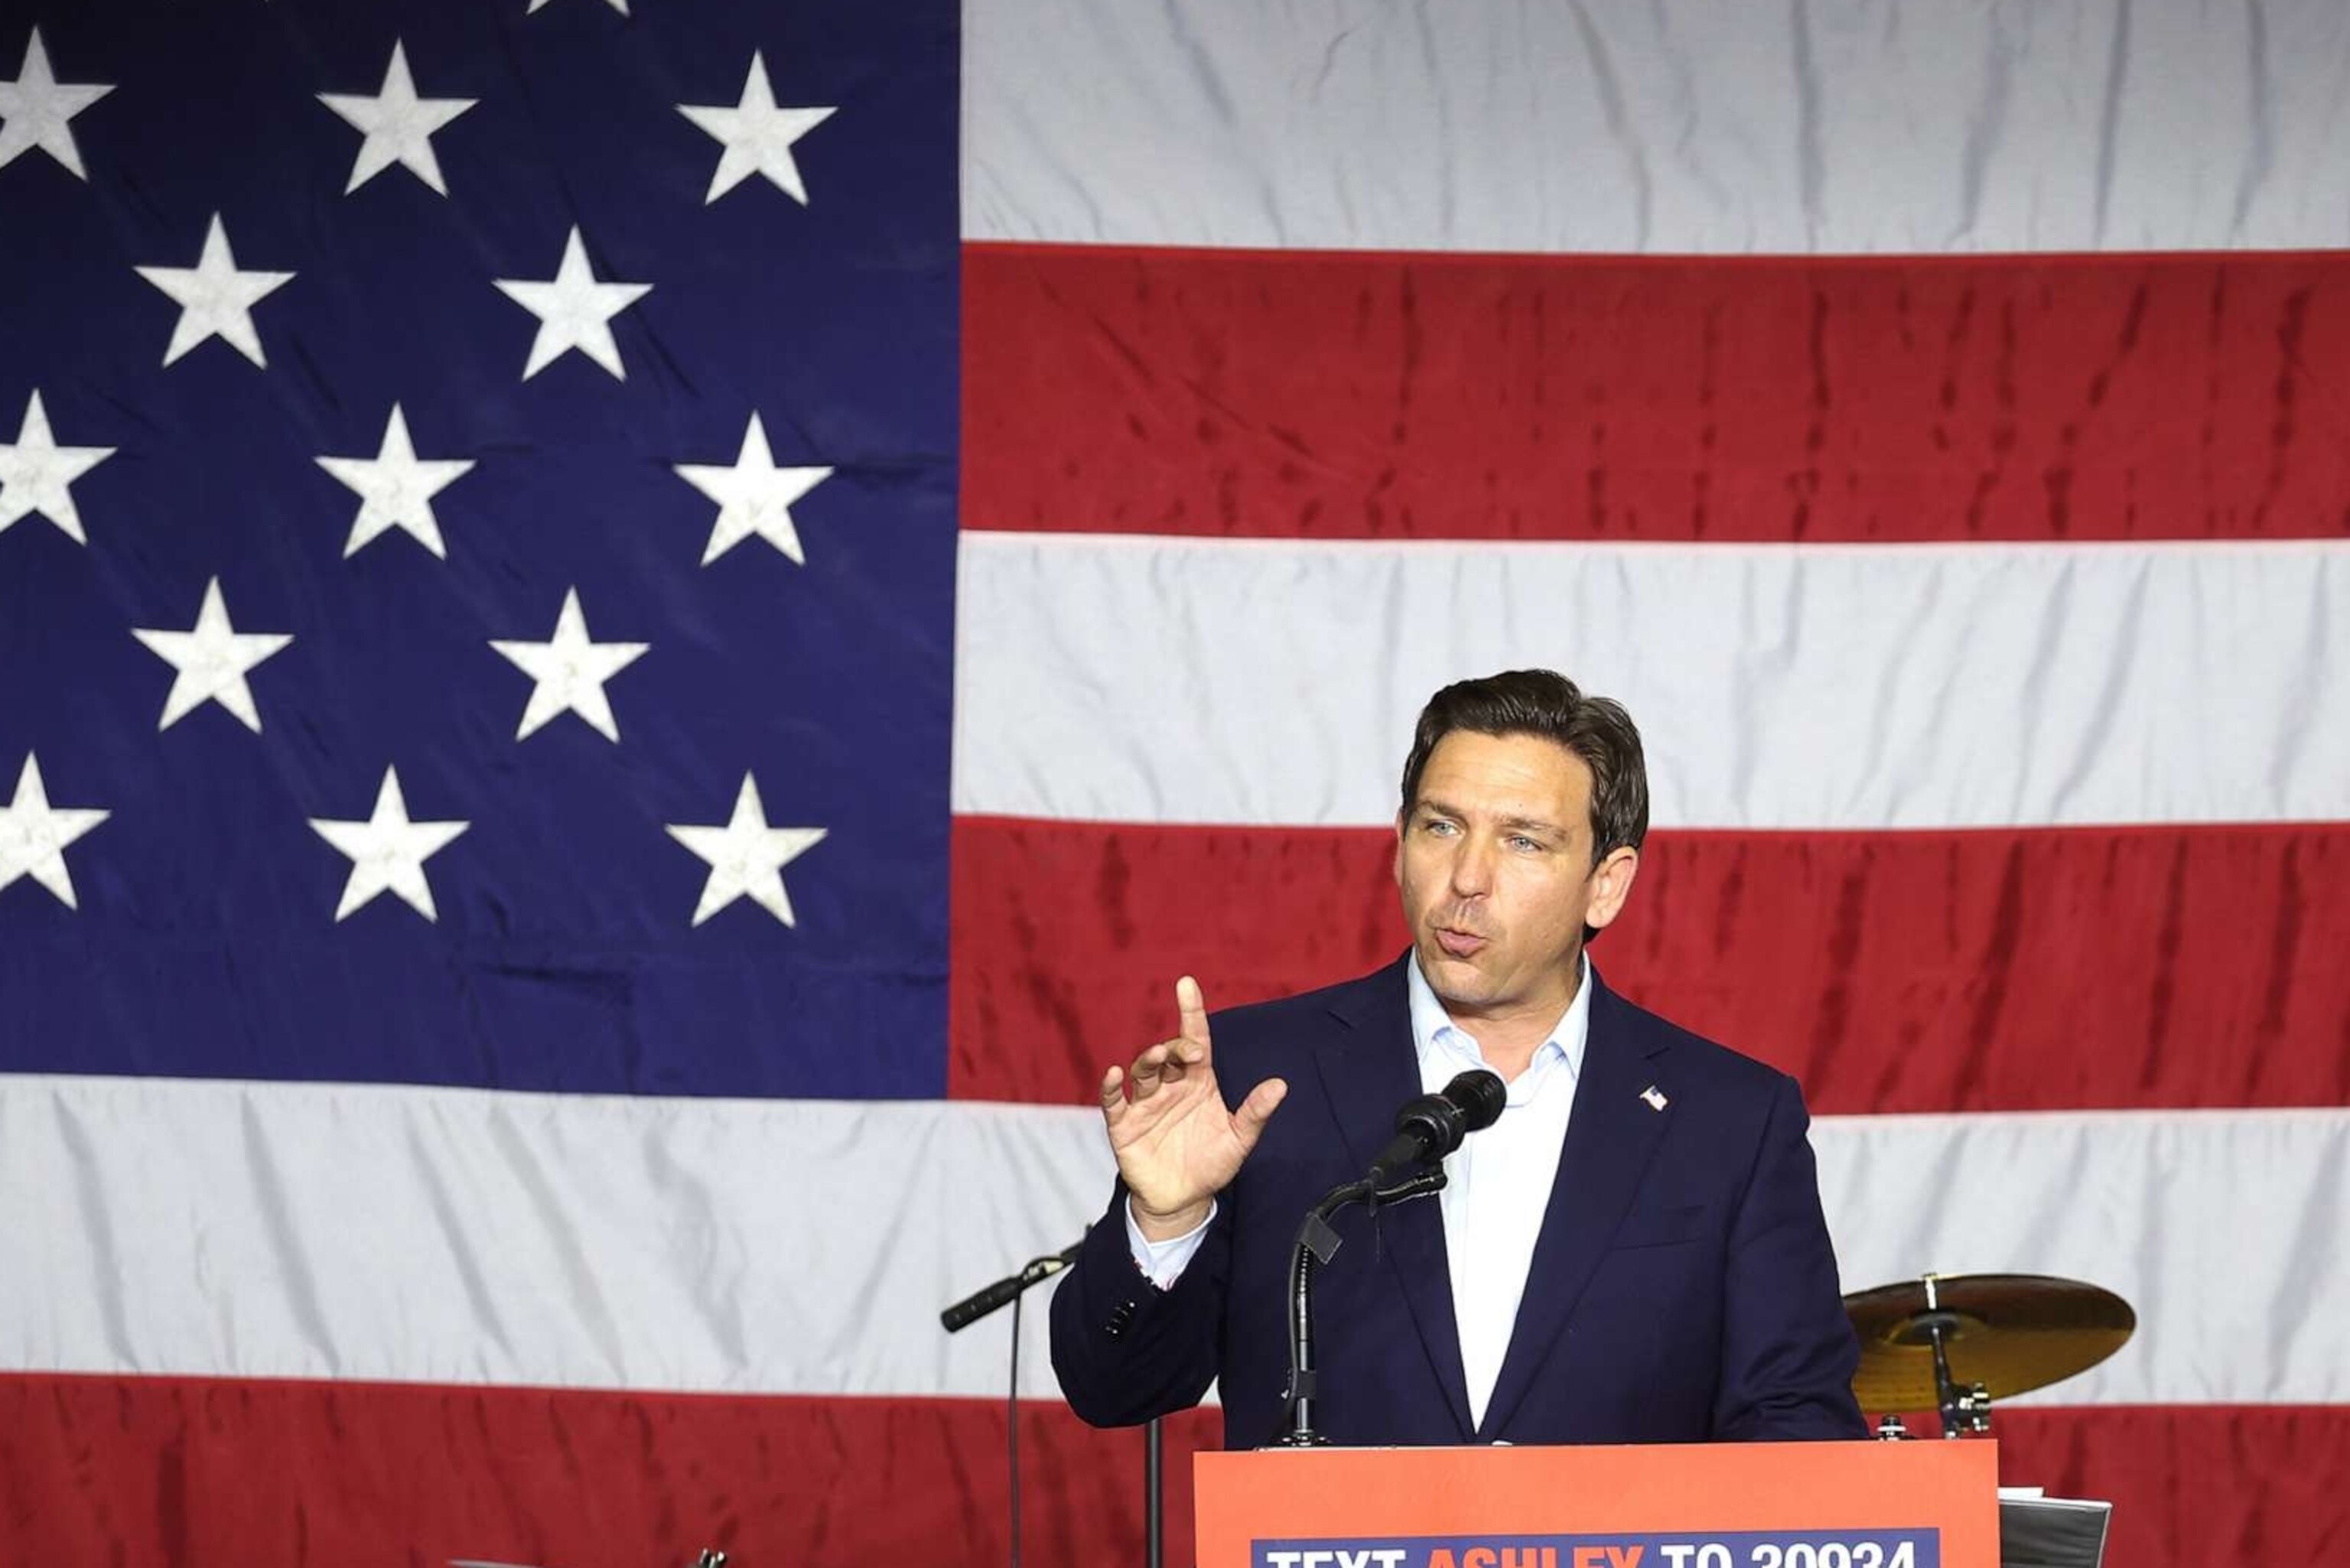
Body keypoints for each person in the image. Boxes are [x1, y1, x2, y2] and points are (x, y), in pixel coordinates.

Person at [1049, 669, 1867, 1448]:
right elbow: (1114, 1389)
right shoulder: (1261, 1078)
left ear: (1606, 884)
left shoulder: (1729, 1119)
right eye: (1441, 826)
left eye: (1523, 841)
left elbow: (1797, 1425)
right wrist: (1164, 1221)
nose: (1466, 878)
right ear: (1399, 842)